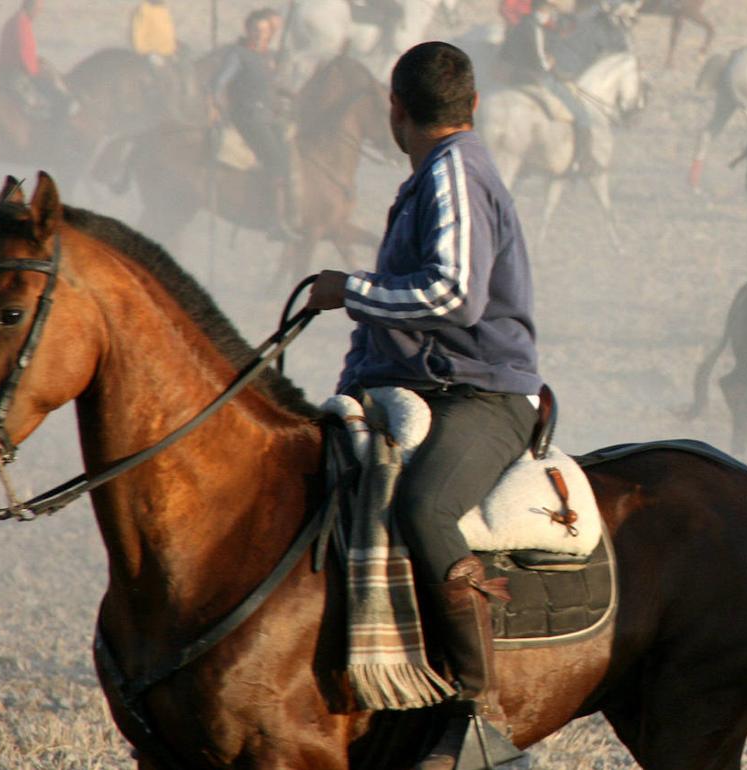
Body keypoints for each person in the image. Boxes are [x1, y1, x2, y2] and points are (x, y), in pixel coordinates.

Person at [305, 41, 543, 770]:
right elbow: (396, 324)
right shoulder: (428, 178)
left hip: (485, 392)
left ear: (395, 111)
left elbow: (454, 295)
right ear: (472, 104)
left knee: (427, 508)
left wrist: (349, 289)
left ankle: (480, 717)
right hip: (426, 383)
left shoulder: (456, 174)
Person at [211, 9, 299, 241]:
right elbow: (219, 84)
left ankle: (292, 212)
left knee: (291, 154)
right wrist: (219, 109)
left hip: (269, 117)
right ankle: (274, 220)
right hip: (248, 118)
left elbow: (271, 86)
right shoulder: (239, 54)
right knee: (276, 161)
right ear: (248, 30)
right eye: (256, 30)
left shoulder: (267, 57)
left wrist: (292, 94)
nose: (260, 35)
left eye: (265, 31)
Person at [500, 0, 592, 172]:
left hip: (513, 78)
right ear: (543, 9)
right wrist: (556, 69)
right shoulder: (534, 27)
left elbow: (506, 54)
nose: (552, 14)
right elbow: (540, 60)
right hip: (535, 78)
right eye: (550, 10)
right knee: (581, 114)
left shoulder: (520, 24)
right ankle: (580, 161)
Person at [0, 0, 75, 118]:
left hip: (11, 71)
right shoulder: (21, 23)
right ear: (30, 6)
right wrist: (38, 72)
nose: (39, 13)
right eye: (38, 9)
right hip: (15, 74)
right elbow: (24, 53)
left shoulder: (17, 20)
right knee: (53, 93)